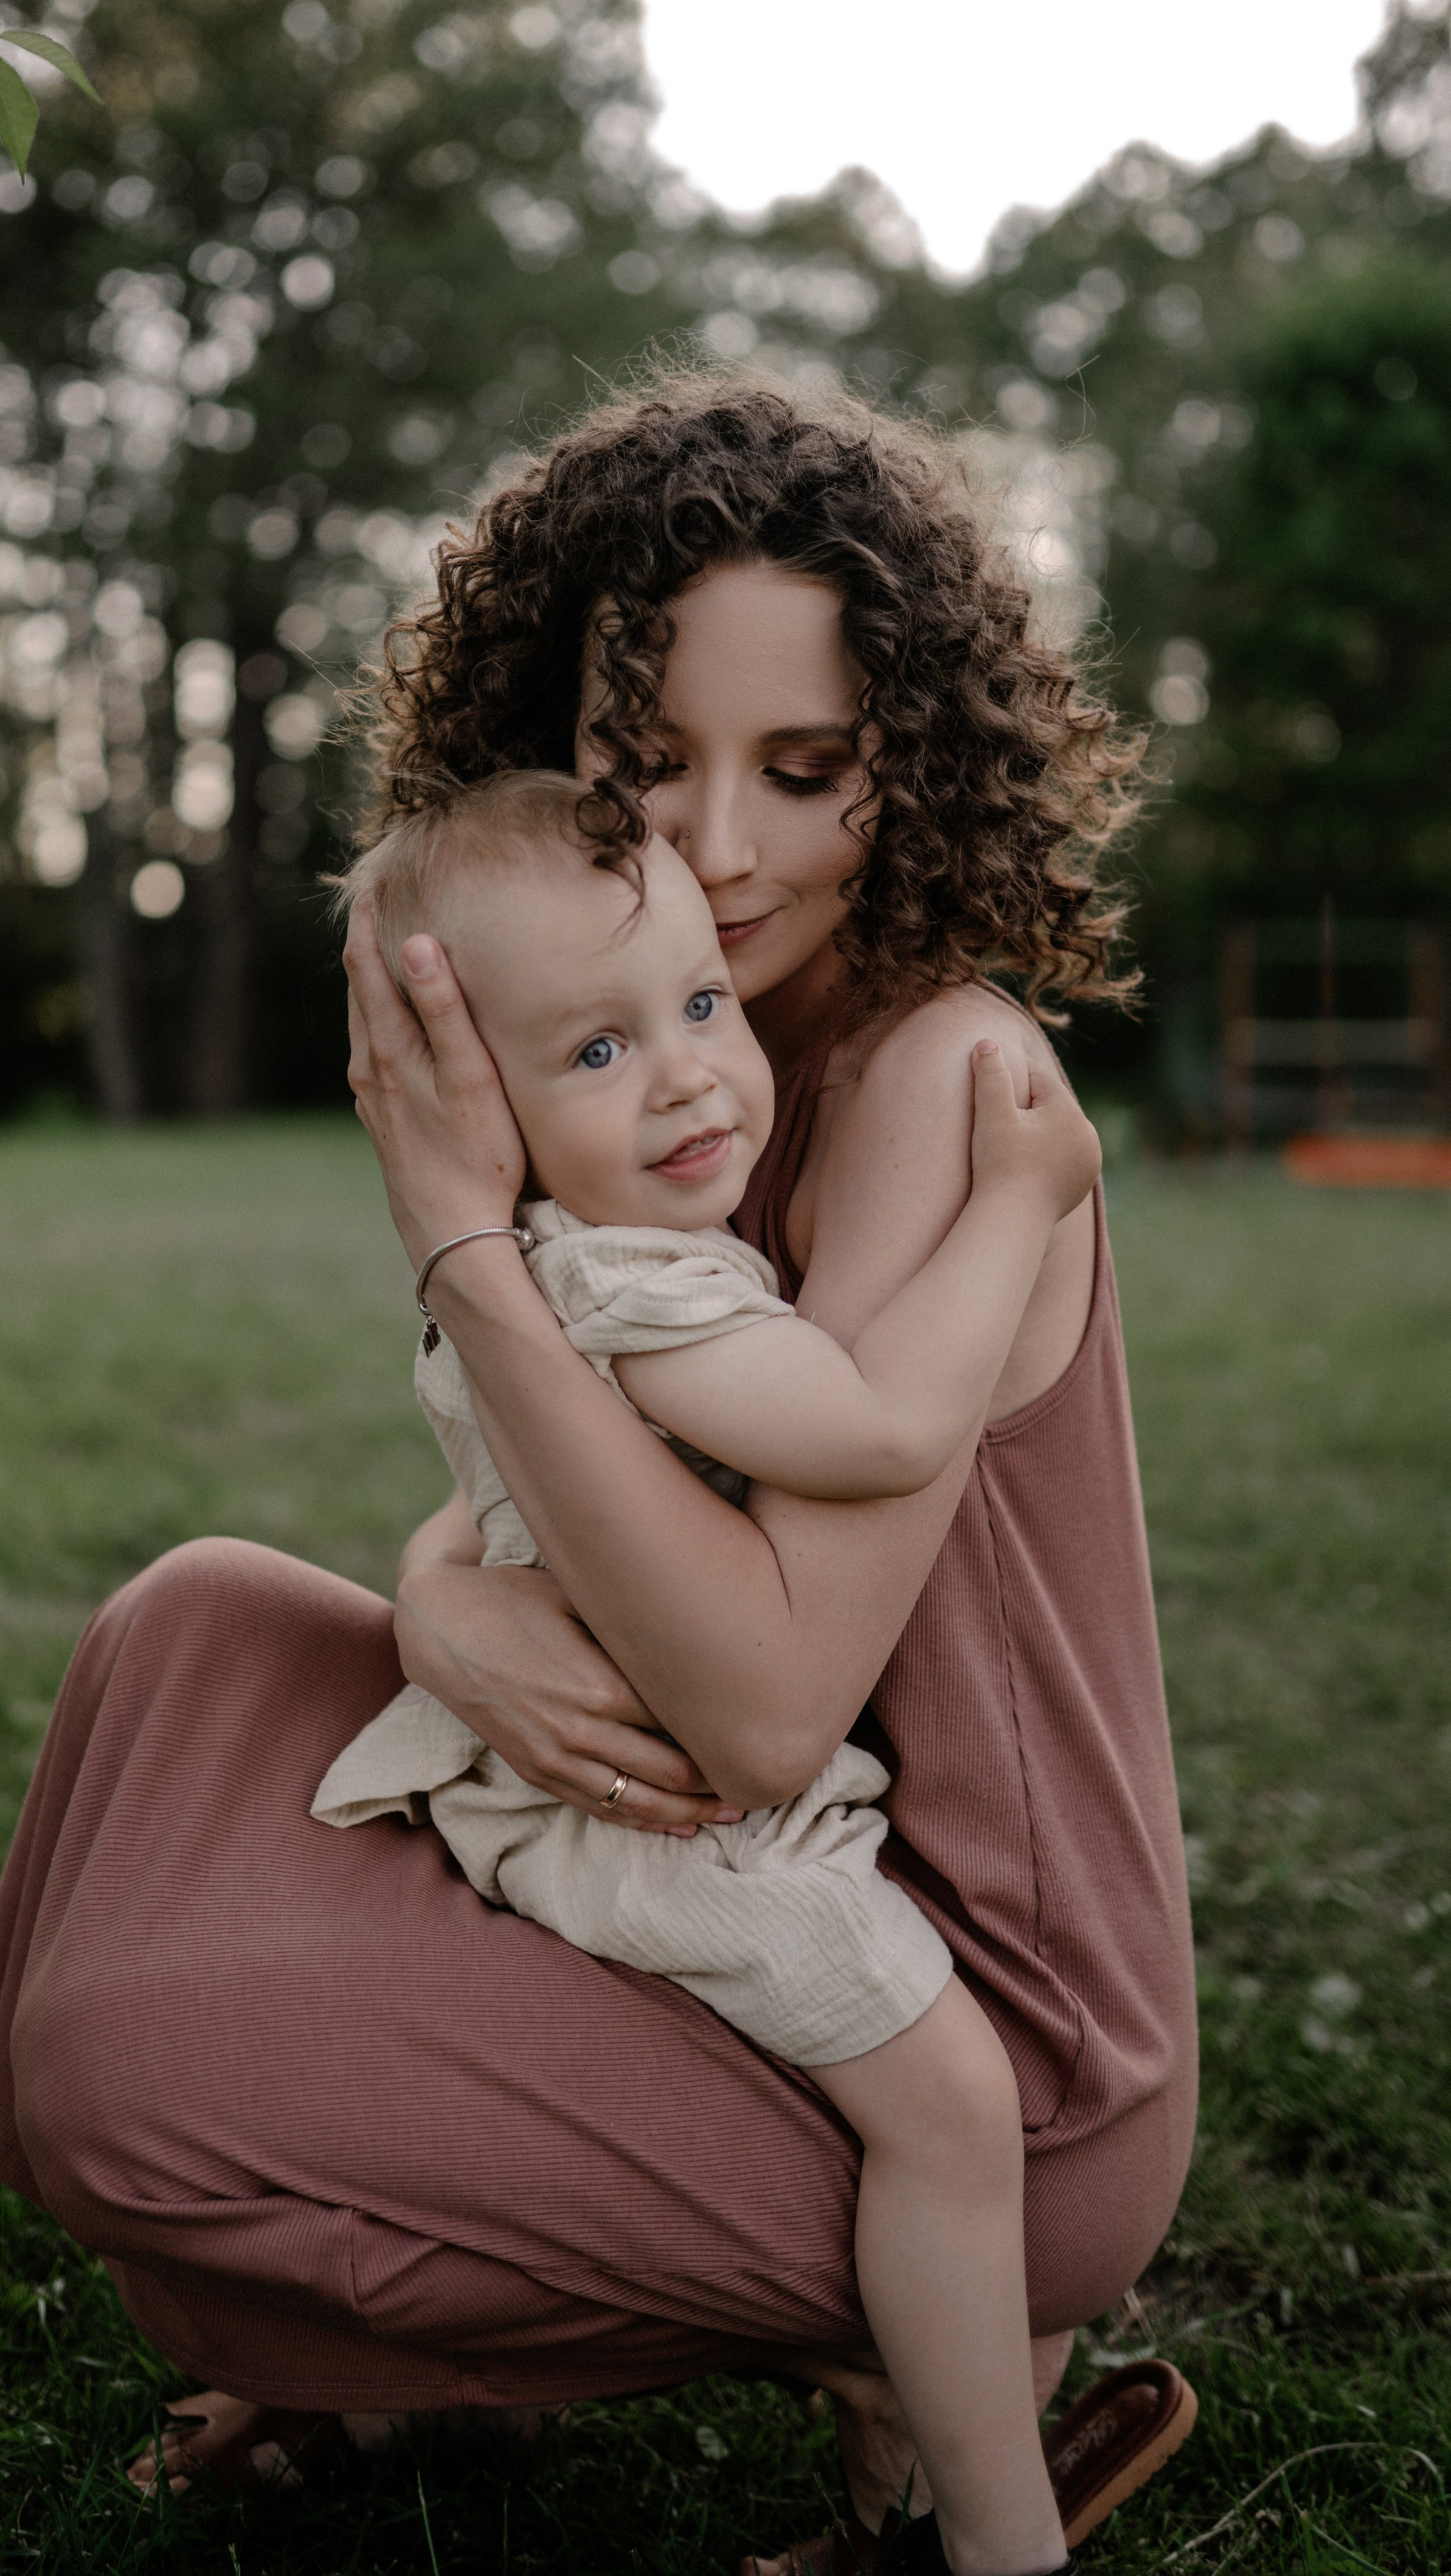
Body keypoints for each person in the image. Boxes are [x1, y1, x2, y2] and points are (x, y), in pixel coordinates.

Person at [0, 378, 1199, 2572]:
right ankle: (426, 2321)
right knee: (194, 1635)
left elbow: (756, 1704)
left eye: (803, 768)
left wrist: (454, 1231)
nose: (721, 846)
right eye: (651, 767)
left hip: (983, 2041)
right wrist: (441, 1585)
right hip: (754, 1888)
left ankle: (877, 2381)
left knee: (129, 2071)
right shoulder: (662, 1046)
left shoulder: (944, 1070)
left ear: (916, 758)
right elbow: (565, 1497)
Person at [316, 771, 1103, 2576]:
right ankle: (997, 2535)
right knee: (952, 2108)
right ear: (477, 1113)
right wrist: (1021, 1200)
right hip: (674, 1819)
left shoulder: (533, 1272)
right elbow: (886, 1423)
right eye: (592, 1052)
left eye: (691, 1002)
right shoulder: (636, 1291)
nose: (683, 1070)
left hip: (585, 1784)